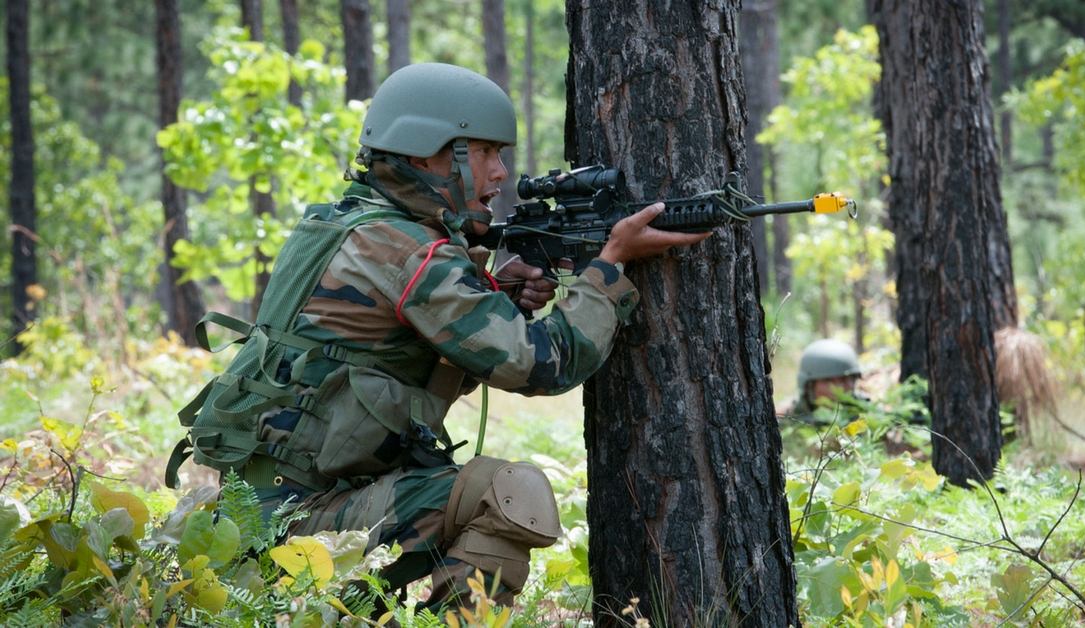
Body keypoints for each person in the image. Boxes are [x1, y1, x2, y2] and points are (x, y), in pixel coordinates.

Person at [166, 63, 708, 612]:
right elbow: (541, 366)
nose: (500, 173)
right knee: (509, 493)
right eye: (484, 152)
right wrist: (607, 272)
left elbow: (377, 357)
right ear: (428, 152)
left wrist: (489, 291)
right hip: (300, 524)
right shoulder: (406, 249)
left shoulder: (346, 223)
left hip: (254, 519)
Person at [780, 338, 865, 424]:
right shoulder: (785, 415)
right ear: (808, 386)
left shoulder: (867, 413)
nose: (839, 388)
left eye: (844, 379)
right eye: (828, 380)